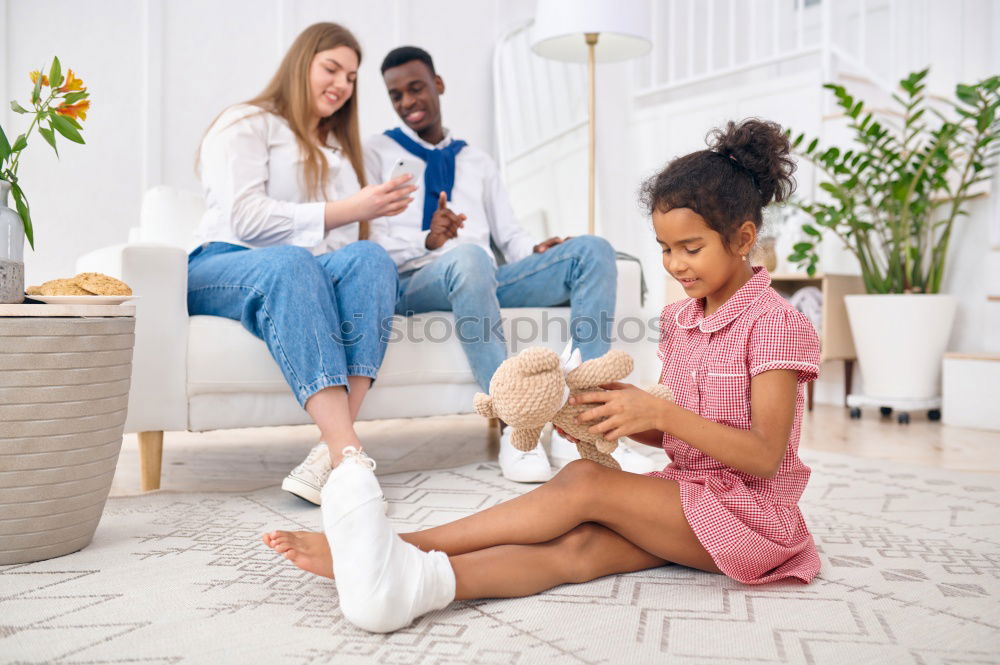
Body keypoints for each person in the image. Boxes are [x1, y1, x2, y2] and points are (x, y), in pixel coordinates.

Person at [262, 118, 823, 633]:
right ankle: (411, 585)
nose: (675, 264)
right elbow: (684, 436)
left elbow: (763, 455)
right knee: (576, 549)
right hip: (691, 497)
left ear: (744, 239)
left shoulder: (774, 324)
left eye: (690, 248)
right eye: (664, 248)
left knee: (584, 484)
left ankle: (391, 546)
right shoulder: (681, 318)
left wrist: (658, 412)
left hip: (752, 519)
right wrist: (618, 419)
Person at [364, 46, 657, 482]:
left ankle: (584, 423)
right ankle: (516, 426)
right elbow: (373, 241)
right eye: (396, 95)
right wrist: (430, 238)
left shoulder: (477, 160)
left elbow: (510, 236)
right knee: (468, 256)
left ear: (437, 85)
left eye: (415, 88)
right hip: (419, 279)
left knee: (593, 249)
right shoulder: (375, 152)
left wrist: (540, 252)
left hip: (483, 276)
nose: (407, 102)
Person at [189, 23, 417, 506]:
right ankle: (348, 449)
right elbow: (246, 220)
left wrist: (401, 228)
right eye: (331, 68)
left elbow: (336, 246)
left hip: (301, 271)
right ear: (301, 64)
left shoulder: (336, 151)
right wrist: (354, 208)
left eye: (352, 77)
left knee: (370, 258)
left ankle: (331, 452)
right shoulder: (246, 122)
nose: (341, 84)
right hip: (222, 263)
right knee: (292, 262)